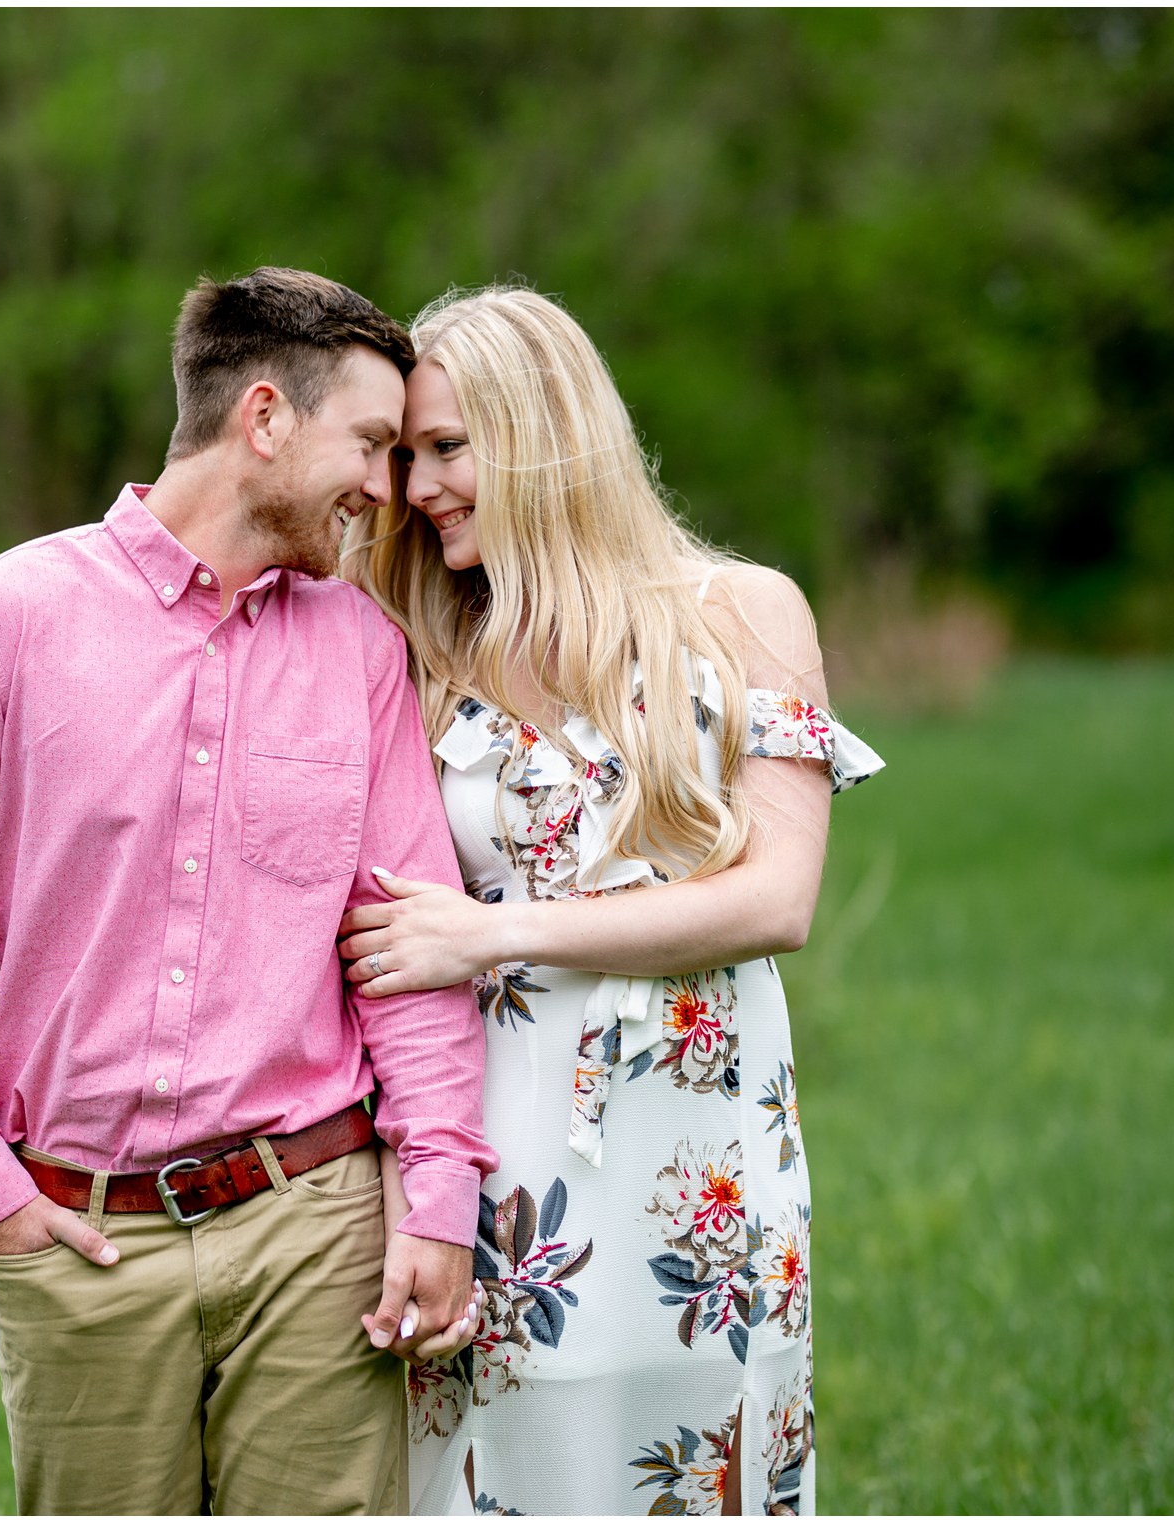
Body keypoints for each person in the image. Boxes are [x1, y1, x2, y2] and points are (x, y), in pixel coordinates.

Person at [0, 267, 496, 1514]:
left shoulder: (363, 649)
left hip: (319, 1232)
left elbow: (403, 945)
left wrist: (439, 1199)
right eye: (367, 442)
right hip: (84, 1241)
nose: (388, 486)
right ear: (264, 419)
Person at [338, 286, 885, 1516]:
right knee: (491, 1463)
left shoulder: (743, 616)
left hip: (698, 1146)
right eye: (405, 454)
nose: (416, 487)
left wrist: (496, 929)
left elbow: (777, 898)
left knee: (692, 1447)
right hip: (486, 1138)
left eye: (448, 448)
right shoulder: (414, 645)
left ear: (542, 434)